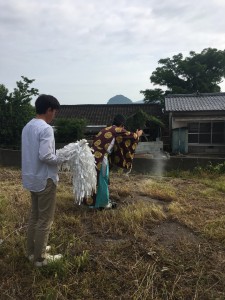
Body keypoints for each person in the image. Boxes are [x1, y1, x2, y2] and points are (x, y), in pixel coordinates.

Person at [22, 94, 66, 267]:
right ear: (49, 110)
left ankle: (31, 251)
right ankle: (40, 259)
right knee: (45, 219)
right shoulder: (46, 128)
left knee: (35, 216)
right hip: (45, 179)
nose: (54, 115)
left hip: (31, 178)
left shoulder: (27, 126)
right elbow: (46, 155)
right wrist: (63, 157)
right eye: (54, 112)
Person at [84, 114, 143, 210]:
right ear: (122, 125)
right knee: (102, 181)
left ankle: (92, 203)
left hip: (92, 157)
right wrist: (138, 135)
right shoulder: (117, 130)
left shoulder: (105, 129)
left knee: (94, 180)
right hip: (101, 158)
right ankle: (102, 203)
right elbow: (132, 137)